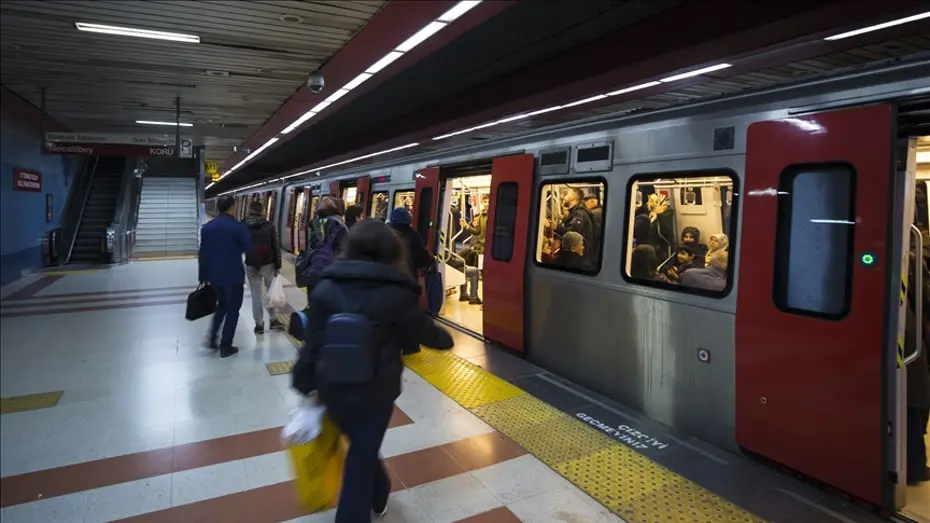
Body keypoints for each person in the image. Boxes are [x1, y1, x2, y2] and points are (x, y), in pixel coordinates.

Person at [295, 219, 454, 522]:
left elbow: (312, 342)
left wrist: (304, 381)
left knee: (361, 449)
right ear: (392, 251)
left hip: (333, 389)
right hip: (376, 393)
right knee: (361, 457)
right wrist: (445, 340)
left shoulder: (326, 287)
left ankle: (380, 492)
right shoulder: (398, 292)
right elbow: (427, 334)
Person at [198, 195, 251, 358]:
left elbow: (202, 254)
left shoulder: (207, 228)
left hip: (214, 277)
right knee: (233, 310)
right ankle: (226, 345)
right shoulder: (238, 227)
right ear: (232, 207)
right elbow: (248, 247)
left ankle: (212, 339)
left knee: (221, 306)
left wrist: (203, 276)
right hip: (234, 275)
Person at [243, 200, 283, 334]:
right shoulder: (269, 225)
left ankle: (259, 324)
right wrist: (278, 264)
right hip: (268, 263)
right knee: (271, 291)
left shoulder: (243, 225)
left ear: (250, 210)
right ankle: (273, 320)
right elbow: (275, 246)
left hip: (251, 264)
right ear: (263, 210)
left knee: (256, 294)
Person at [303, 196, 349, 300]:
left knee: (314, 304)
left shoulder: (316, 223)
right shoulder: (339, 226)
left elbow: (312, 246)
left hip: (313, 270)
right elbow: (342, 252)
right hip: (330, 273)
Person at [388, 207, 432, 279]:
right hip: (406, 278)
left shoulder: (384, 232)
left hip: (385, 276)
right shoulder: (413, 236)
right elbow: (422, 259)